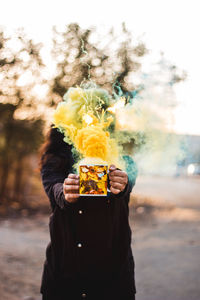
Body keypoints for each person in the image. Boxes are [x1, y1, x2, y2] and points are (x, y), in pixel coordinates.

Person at [39, 125, 137, 300]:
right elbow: (54, 188)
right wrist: (65, 192)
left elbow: (127, 184)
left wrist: (122, 184)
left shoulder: (123, 159)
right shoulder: (56, 160)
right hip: (65, 275)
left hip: (112, 278)